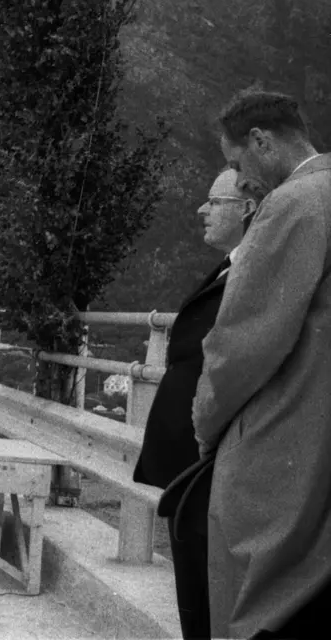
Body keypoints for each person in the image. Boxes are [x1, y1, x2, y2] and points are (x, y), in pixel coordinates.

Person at [192, 91, 331, 638]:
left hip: (288, 427)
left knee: (252, 596)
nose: (242, 179)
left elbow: (244, 341)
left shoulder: (296, 202)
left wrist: (207, 422)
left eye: (236, 164)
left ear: (262, 142)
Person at [131, 168, 261, 639]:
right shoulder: (232, 263)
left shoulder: (256, 269)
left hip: (208, 461)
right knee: (191, 588)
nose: (201, 209)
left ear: (246, 208)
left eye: (214, 201)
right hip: (189, 462)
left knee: (207, 592)